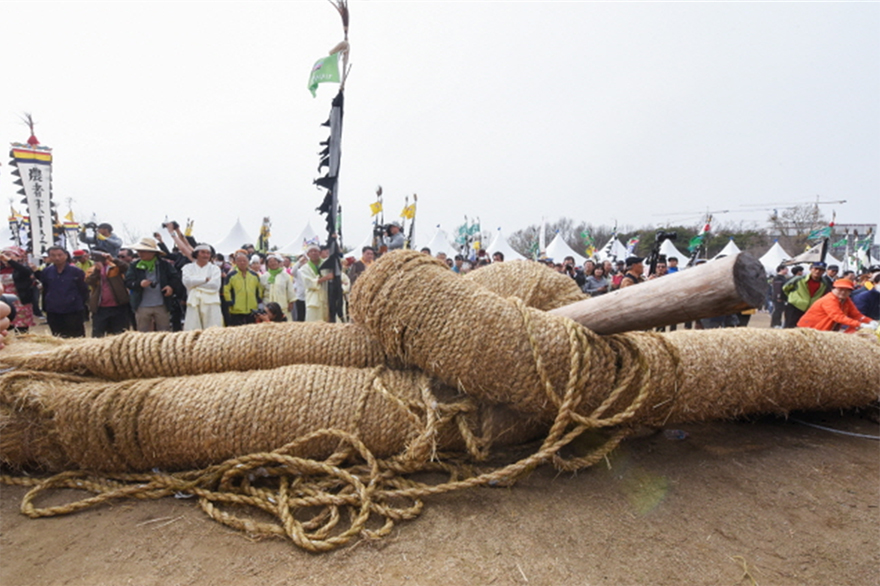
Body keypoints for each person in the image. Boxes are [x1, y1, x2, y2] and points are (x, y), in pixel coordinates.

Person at [125, 237, 181, 332]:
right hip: (141, 305)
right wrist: (139, 284)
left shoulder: (164, 265)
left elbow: (175, 278)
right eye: (139, 251)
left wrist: (170, 287)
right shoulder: (134, 266)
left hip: (162, 304)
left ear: (153, 252)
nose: (140, 254)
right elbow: (128, 282)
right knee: (142, 334)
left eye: (143, 251)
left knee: (164, 333)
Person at [35, 246, 88, 338]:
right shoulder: (46, 271)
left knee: (76, 336)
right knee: (57, 336)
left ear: (66, 255)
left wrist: (78, 303)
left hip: (73, 309)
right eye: (53, 255)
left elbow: (83, 290)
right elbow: (45, 289)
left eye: (60, 255)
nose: (57, 258)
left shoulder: (76, 271)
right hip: (53, 310)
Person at [797, 279, 876, 333]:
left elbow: (856, 314)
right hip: (811, 330)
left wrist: (869, 321)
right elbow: (838, 317)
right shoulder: (829, 299)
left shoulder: (846, 300)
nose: (843, 292)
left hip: (824, 330)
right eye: (840, 289)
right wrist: (860, 324)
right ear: (833, 289)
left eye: (847, 290)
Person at [85, 251, 130, 337]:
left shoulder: (114, 267)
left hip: (118, 305)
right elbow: (89, 281)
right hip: (100, 307)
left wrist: (113, 259)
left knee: (120, 334)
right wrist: (97, 271)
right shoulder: (91, 270)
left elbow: (126, 268)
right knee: (98, 335)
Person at [181, 243, 224, 330]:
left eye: (208, 253)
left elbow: (215, 285)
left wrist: (195, 285)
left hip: (211, 302)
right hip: (194, 301)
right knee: (193, 329)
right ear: (197, 254)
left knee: (213, 329)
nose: (206, 255)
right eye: (203, 252)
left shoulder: (215, 269)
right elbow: (187, 282)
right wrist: (204, 279)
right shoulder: (187, 268)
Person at [223, 251, 264, 326]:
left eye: (244, 261)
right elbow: (226, 290)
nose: (242, 263)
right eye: (239, 261)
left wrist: (258, 299)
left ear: (248, 262)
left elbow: (259, 289)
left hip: (252, 308)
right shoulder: (231, 275)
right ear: (235, 262)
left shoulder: (254, 275)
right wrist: (229, 301)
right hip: (236, 309)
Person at [782, 262, 828, 329]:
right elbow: (785, 288)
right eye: (816, 269)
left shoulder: (825, 283)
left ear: (824, 272)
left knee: (806, 329)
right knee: (790, 327)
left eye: (821, 270)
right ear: (811, 269)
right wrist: (794, 298)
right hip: (795, 306)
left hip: (811, 309)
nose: (817, 271)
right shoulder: (799, 279)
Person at [0, 246, 36, 333]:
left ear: (18, 257)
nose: (5, 257)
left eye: (9, 254)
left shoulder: (22, 268)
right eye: (4, 254)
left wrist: (10, 261)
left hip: (20, 301)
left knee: (21, 327)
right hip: (5, 301)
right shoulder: (2, 269)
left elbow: (26, 272)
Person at [300, 244, 334, 322]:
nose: (313, 253)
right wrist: (325, 278)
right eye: (311, 252)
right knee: (313, 320)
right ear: (308, 254)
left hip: (326, 295)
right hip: (313, 298)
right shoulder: (304, 268)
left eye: (315, 251)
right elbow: (308, 283)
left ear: (319, 253)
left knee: (327, 320)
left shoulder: (327, 264)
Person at [260, 253, 296, 321]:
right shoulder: (263, 277)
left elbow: (290, 290)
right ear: (267, 264)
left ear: (278, 263)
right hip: (268, 305)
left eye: (275, 261)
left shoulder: (285, 276)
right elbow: (260, 292)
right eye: (270, 262)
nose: (273, 263)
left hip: (282, 305)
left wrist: (291, 303)